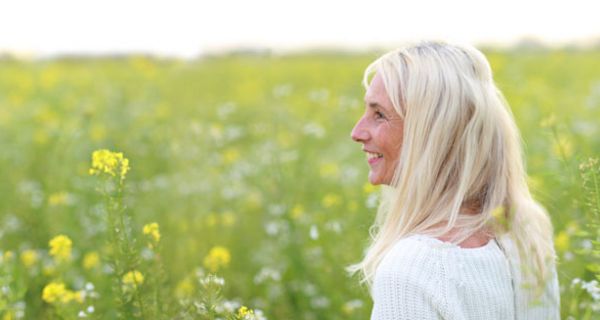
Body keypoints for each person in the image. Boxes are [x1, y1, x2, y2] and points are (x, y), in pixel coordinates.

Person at [348, 41, 560, 319]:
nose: (357, 132)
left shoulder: (411, 269)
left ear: (430, 134)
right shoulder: (527, 236)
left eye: (379, 115)